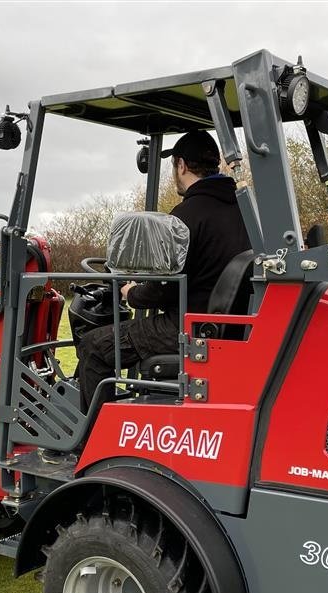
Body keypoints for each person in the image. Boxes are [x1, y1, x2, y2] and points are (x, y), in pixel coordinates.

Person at [76, 130, 251, 410]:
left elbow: (163, 289)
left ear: (181, 165)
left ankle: (91, 440)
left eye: (174, 166)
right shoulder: (245, 210)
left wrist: (131, 293)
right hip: (230, 325)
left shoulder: (185, 216)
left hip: (184, 328)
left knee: (93, 346)